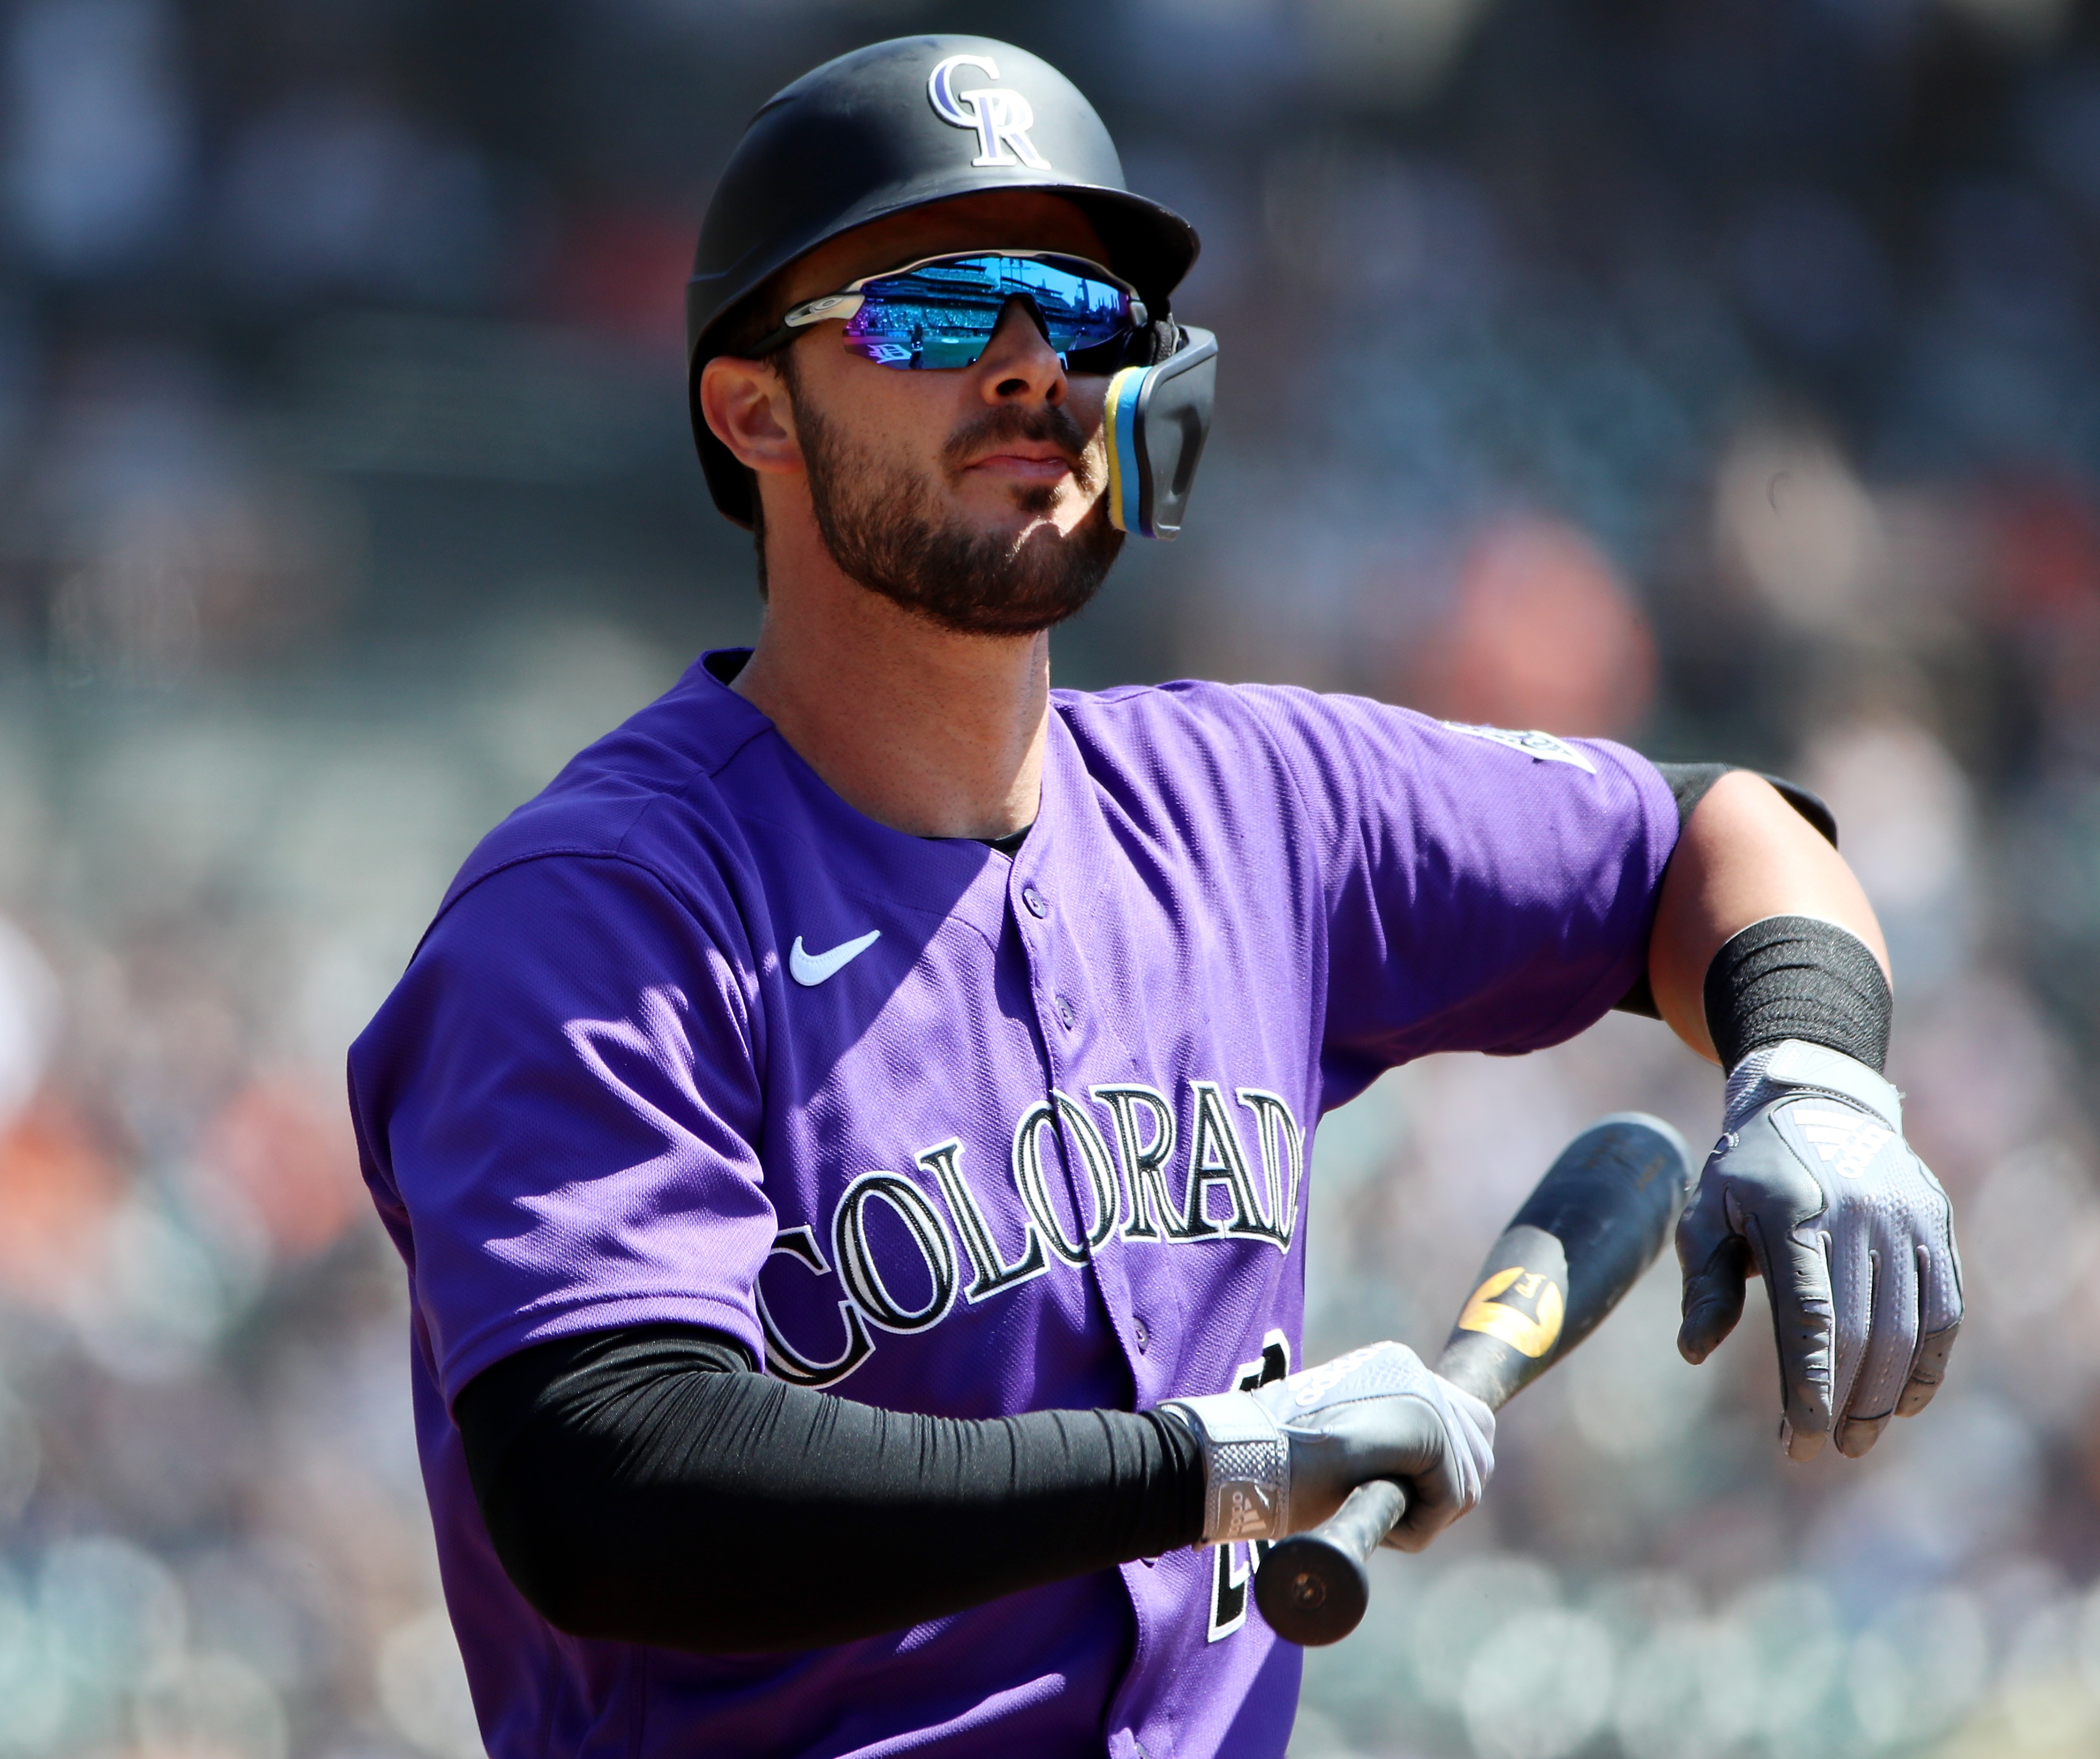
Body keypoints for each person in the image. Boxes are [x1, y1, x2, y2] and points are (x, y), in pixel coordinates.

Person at [348, 35, 1963, 1759]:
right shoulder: (599, 911)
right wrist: (1215, 1470)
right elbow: (608, 1482)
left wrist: (1815, 1073)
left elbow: (1717, 834)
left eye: (1082, 310)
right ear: (754, 410)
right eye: (934, 309)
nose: (1031, 365)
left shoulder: (1254, 802)